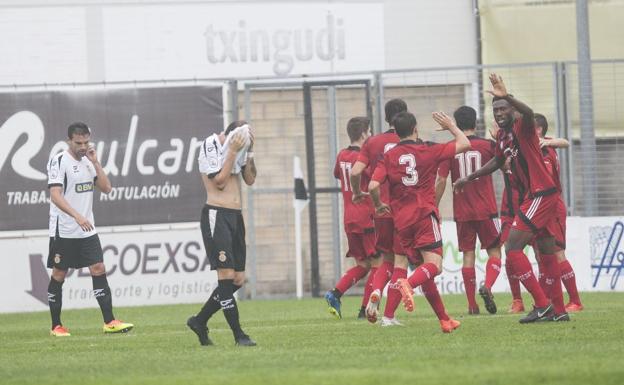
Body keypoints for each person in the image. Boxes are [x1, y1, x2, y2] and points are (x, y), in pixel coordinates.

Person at [454, 74, 568, 323]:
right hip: (537, 195)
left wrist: (507, 96)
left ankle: (542, 304)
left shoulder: (522, 126)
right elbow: (496, 161)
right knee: (547, 252)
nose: (499, 113)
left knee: (512, 247)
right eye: (495, 110)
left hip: (540, 193)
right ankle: (559, 311)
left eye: (503, 108)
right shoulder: (503, 137)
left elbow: (529, 112)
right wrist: (469, 177)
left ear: (512, 110)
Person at [369, 111, 470, 333]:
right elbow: (465, 143)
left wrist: (378, 205)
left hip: (402, 221)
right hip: (424, 214)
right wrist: (451, 126)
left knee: (421, 270)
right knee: (434, 266)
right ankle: (408, 284)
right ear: (415, 129)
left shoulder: (388, 156)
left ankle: (444, 319)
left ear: (395, 133)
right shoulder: (429, 149)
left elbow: (372, 187)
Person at [46, 122, 134, 337]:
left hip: (87, 229)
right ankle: (56, 326)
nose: (83, 146)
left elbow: (106, 188)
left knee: (98, 268)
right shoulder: (59, 160)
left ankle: (110, 321)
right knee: (59, 273)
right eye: (78, 143)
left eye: (86, 142)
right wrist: (76, 216)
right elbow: (55, 195)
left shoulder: (88, 161)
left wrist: (96, 163)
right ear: (69, 141)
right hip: (64, 229)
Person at [187, 120, 257, 347]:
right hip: (217, 215)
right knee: (226, 277)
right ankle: (239, 335)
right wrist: (233, 151)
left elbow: (250, 179)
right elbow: (218, 181)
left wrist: (249, 152)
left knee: (238, 279)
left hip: (235, 217)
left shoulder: (238, 150)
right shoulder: (211, 144)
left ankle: (199, 321)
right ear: (230, 135)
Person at [435, 106, 502, 315]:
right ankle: (488, 287)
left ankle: (472, 305)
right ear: (475, 123)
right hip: (487, 209)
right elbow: (506, 164)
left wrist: (433, 206)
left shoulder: (451, 147)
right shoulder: (488, 146)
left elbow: (441, 179)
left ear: (455, 123)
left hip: (462, 211)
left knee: (468, 255)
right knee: (495, 254)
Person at [350, 99, 406, 323]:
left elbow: (355, 172)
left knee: (385, 260)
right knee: (402, 262)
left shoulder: (372, 142)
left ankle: (377, 290)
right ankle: (389, 316)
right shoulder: (411, 141)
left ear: (385, 118)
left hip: (380, 208)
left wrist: (357, 193)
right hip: (404, 210)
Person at [324, 117, 376, 319]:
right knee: (378, 265)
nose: (370, 136)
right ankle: (365, 310)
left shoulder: (342, 155)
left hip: (350, 218)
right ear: (363, 134)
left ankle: (335, 293)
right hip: (366, 217)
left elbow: (338, 174)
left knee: (363, 266)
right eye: (369, 132)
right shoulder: (363, 159)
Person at [533, 113, 584, 312]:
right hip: (540, 206)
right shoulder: (541, 146)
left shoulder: (544, 149)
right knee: (541, 254)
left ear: (538, 130)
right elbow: (563, 142)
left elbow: (565, 142)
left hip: (552, 206)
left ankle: (575, 301)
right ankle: (545, 300)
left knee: (557, 253)